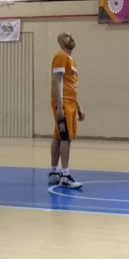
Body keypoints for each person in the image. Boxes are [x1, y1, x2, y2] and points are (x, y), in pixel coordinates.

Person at [49, 33, 83, 189]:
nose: (72, 38)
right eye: (68, 37)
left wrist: (78, 106)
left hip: (70, 102)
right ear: (62, 41)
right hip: (64, 103)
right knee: (66, 138)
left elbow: (69, 85)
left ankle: (54, 172)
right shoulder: (61, 56)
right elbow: (56, 82)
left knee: (58, 136)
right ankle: (65, 175)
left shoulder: (71, 60)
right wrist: (60, 106)